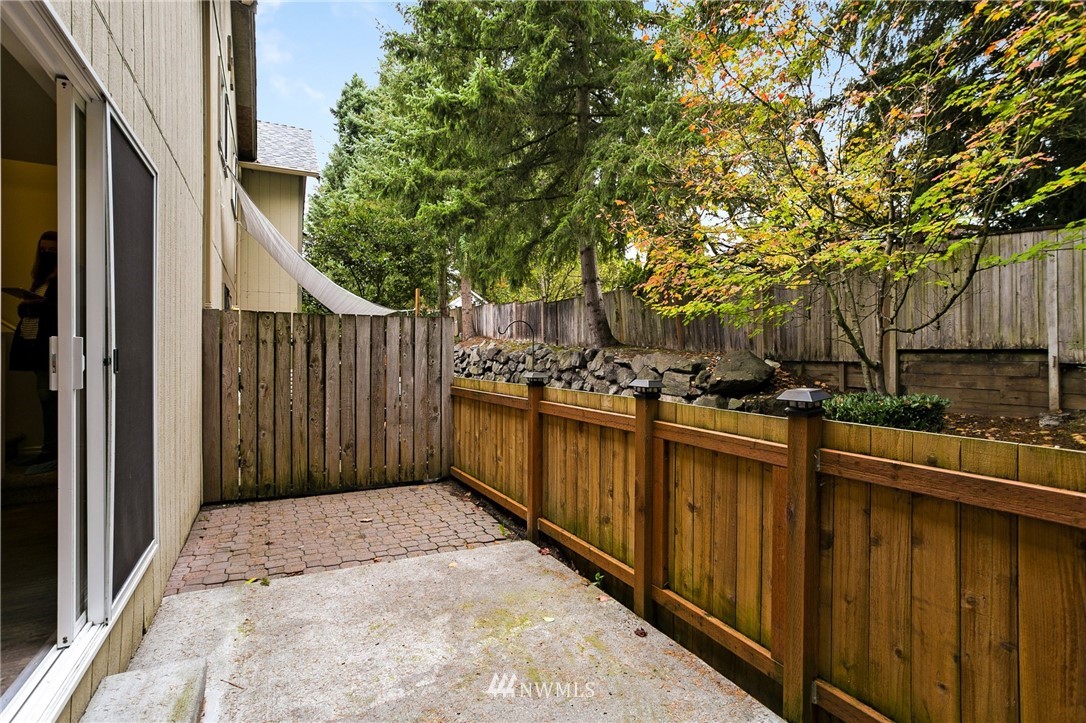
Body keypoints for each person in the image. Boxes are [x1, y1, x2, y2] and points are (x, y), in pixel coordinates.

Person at [11, 232, 58, 465]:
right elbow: (27, 311)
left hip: (50, 346)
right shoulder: (40, 279)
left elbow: (61, 311)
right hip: (33, 344)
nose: (47, 253)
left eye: (52, 250)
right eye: (43, 249)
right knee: (45, 397)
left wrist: (38, 306)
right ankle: (50, 448)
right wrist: (27, 305)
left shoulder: (66, 276)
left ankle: (52, 449)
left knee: (49, 396)